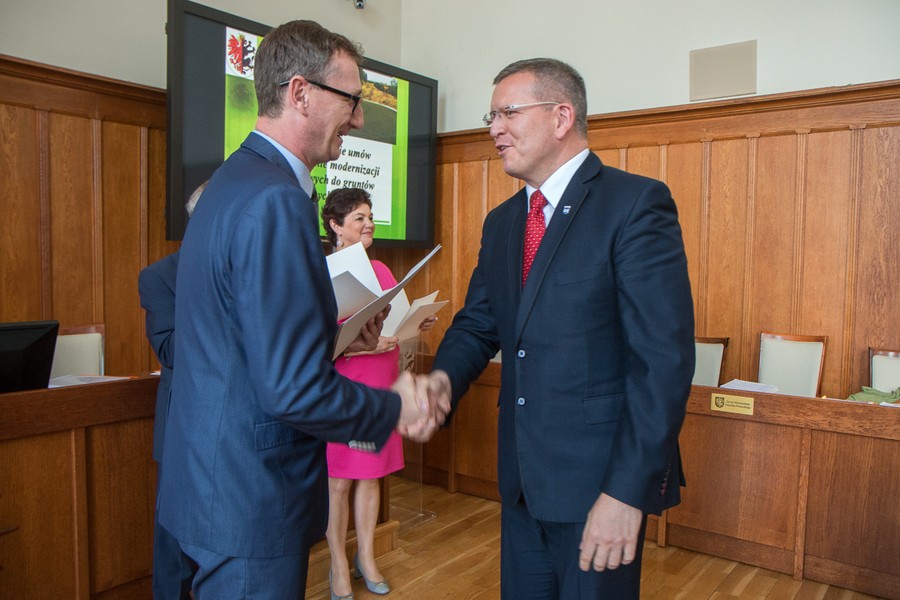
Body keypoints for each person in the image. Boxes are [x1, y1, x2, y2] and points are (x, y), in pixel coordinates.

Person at [157, 21, 446, 600]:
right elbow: (287, 389)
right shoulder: (275, 200)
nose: (360, 118)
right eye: (352, 100)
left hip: (212, 483)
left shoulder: (233, 183)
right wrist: (392, 409)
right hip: (250, 494)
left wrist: (338, 341)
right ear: (299, 92)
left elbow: (239, 340)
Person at [427, 58, 695, 599]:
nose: (493, 129)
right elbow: (480, 323)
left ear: (560, 116)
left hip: (600, 489)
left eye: (508, 113)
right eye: (491, 115)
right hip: (523, 484)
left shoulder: (635, 204)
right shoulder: (503, 222)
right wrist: (440, 383)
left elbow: (662, 362)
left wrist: (626, 494)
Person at [321, 188, 436, 599]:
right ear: (335, 226)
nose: (369, 223)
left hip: (381, 384)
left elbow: (395, 329)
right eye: (358, 217)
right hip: (345, 388)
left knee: (370, 479)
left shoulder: (384, 270)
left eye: (370, 216)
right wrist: (359, 343)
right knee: (338, 483)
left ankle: (366, 557)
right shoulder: (323, 271)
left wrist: (412, 326)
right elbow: (317, 340)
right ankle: (336, 562)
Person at [138, 182, 205, 599]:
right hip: (184, 429)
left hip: (239, 432)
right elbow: (171, 349)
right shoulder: (159, 276)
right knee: (175, 554)